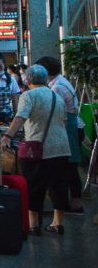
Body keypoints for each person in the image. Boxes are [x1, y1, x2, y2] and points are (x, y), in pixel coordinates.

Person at [0, 64, 70, 235]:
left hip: (38, 148)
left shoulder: (29, 95)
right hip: (61, 147)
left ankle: (34, 224)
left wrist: (7, 136)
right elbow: (64, 120)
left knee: (35, 185)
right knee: (58, 186)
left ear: (27, 80)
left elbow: (20, 116)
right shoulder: (55, 95)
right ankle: (57, 223)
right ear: (45, 79)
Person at [35, 55, 85, 213]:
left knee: (68, 167)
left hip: (69, 128)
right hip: (71, 126)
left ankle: (75, 204)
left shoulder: (57, 87)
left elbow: (58, 112)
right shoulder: (59, 81)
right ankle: (73, 203)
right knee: (69, 167)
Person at [0, 59, 19, 125]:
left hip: (6, 117)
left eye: (0, 66)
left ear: (4, 65)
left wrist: (15, 117)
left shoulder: (11, 79)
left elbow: (15, 100)